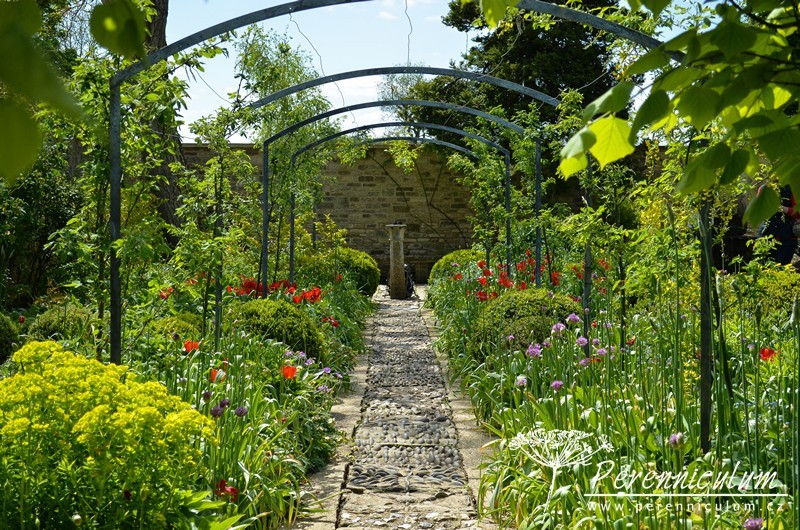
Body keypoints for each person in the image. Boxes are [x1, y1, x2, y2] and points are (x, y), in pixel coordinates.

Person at [759, 185, 800, 264]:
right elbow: (758, 210)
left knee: (782, 269)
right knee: (765, 268)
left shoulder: (792, 189)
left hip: (787, 237)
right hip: (766, 235)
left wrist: (781, 208)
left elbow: (797, 213)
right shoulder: (764, 188)